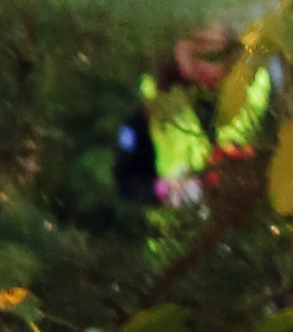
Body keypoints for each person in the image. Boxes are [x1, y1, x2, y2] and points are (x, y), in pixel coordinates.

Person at [114, 22, 277, 210]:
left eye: (210, 45)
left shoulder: (256, 86)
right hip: (179, 219)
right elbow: (127, 180)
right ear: (178, 47)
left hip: (247, 211)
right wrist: (165, 190)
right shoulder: (153, 103)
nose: (201, 56)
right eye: (194, 43)